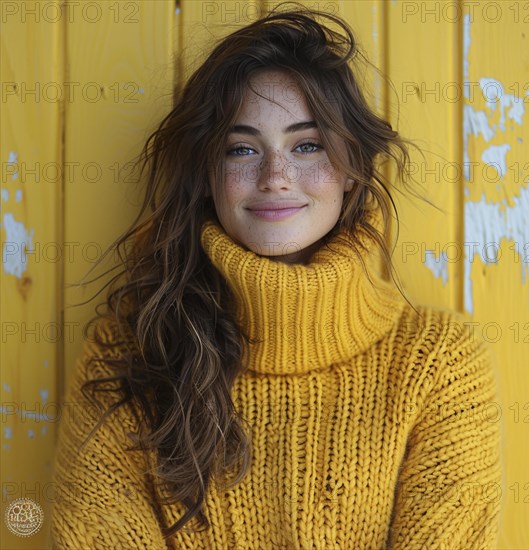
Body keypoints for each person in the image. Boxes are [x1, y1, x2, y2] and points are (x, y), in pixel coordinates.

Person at [51, 3, 503, 549]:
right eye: (242, 148)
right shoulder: (128, 353)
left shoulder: (441, 365)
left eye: (306, 144)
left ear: (353, 171)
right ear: (206, 175)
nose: (276, 177)